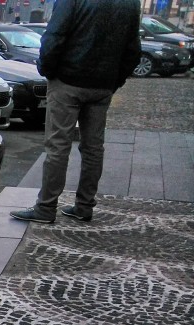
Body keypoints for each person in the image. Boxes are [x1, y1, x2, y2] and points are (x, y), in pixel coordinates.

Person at [10, 0, 141, 224]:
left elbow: (54, 37)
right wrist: (114, 80)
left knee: (58, 146)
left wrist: (48, 70)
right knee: (93, 148)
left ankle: (46, 207)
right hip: (102, 86)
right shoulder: (130, 2)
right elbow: (133, 50)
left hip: (67, 82)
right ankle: (84, 206)